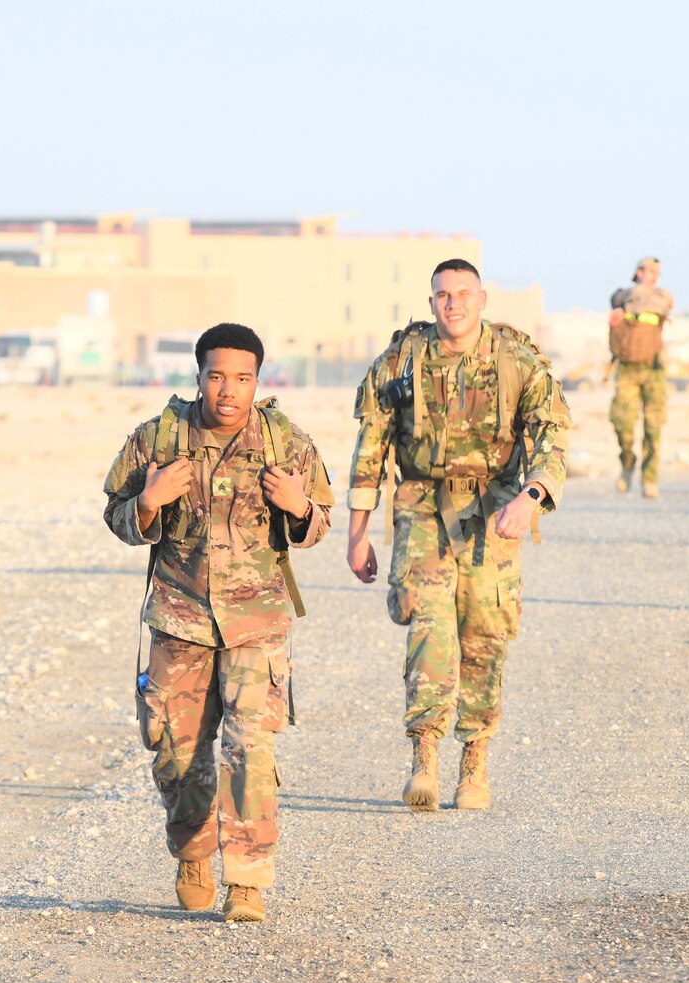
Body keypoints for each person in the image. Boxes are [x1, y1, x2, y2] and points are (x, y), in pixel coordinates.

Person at [101, 323, 334, 924]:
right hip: (179, 621)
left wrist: (300, 508)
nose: (229, 390)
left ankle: (248, 882)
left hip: (258, 622)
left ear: (258, 381)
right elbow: (116, 515)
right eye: (217, 376)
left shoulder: (287, 444)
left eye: (242, 378)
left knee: (249, 750)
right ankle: (194, 851)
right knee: (178, 756)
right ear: (199, 376)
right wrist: (148, 502)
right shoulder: (157, 439)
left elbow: (318, 524)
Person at [347, 259, 571, 812]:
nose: (453, 304)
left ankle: (475, 761)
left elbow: (552, 436)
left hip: (496, 504)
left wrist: (531, 497)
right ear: (430, 304)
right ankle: (424, 756)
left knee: (485, 630)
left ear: (483, 299)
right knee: (430, 624)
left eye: (463, 294)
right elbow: (369, 453)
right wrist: (357, 534)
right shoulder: (399, 363)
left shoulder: (519, 362)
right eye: (443, 295)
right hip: (420, 504)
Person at [608, 257, 674, 499]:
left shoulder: (660, 296)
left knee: (654, 427)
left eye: (658, 272)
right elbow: (618, 298)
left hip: (654, 368)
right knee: (622, 422)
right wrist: (630, 304)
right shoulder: (623, 294)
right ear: (638, 272)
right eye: (650, 271)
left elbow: (664, 303)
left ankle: (650, 478)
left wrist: (629, 308)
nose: (655, 276)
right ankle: (627, 462)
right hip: (627, 368)